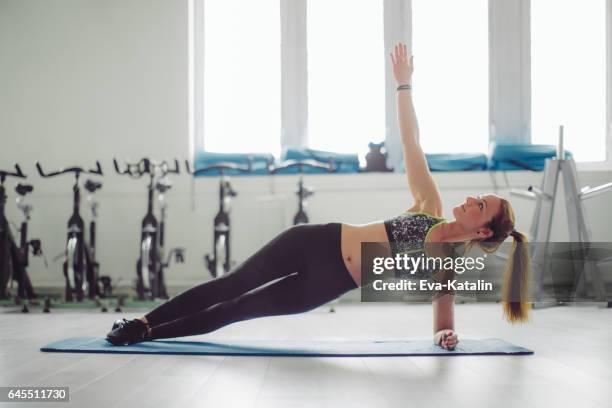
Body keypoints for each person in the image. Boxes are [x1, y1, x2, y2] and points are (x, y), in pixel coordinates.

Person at [106, 43, 530, 350]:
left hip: (329, 284)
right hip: (317, 242)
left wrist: (445, 337)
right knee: (232, 284)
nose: (472, 199)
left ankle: (148, 335)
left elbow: (442, 322)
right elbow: (412, 142)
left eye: (481, 206)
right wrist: (404, 86)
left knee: (238, 309)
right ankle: (142, 320)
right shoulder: (430, 208)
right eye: (479, 196)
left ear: (483, 229)